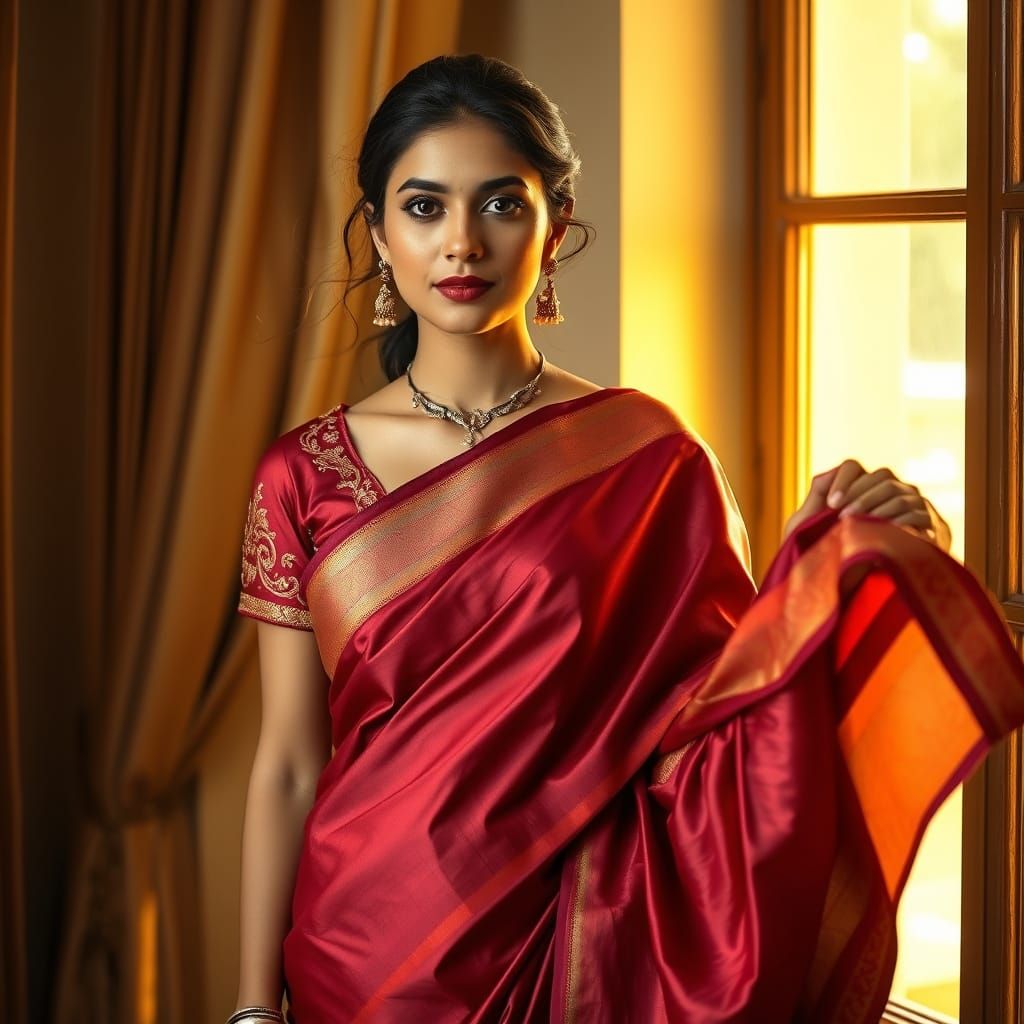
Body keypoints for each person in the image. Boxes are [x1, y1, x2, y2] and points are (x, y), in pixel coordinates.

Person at [229, 54, 1024, 1024]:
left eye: (501, 205)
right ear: (380, 231)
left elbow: (728, 730)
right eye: (425, 207)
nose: (462, 243)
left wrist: (843, 569)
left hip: (578, 950)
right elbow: (286, 765)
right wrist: (246, 1009)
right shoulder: (302, 474)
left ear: (554, 228)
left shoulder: (646, 454)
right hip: (362, 954)